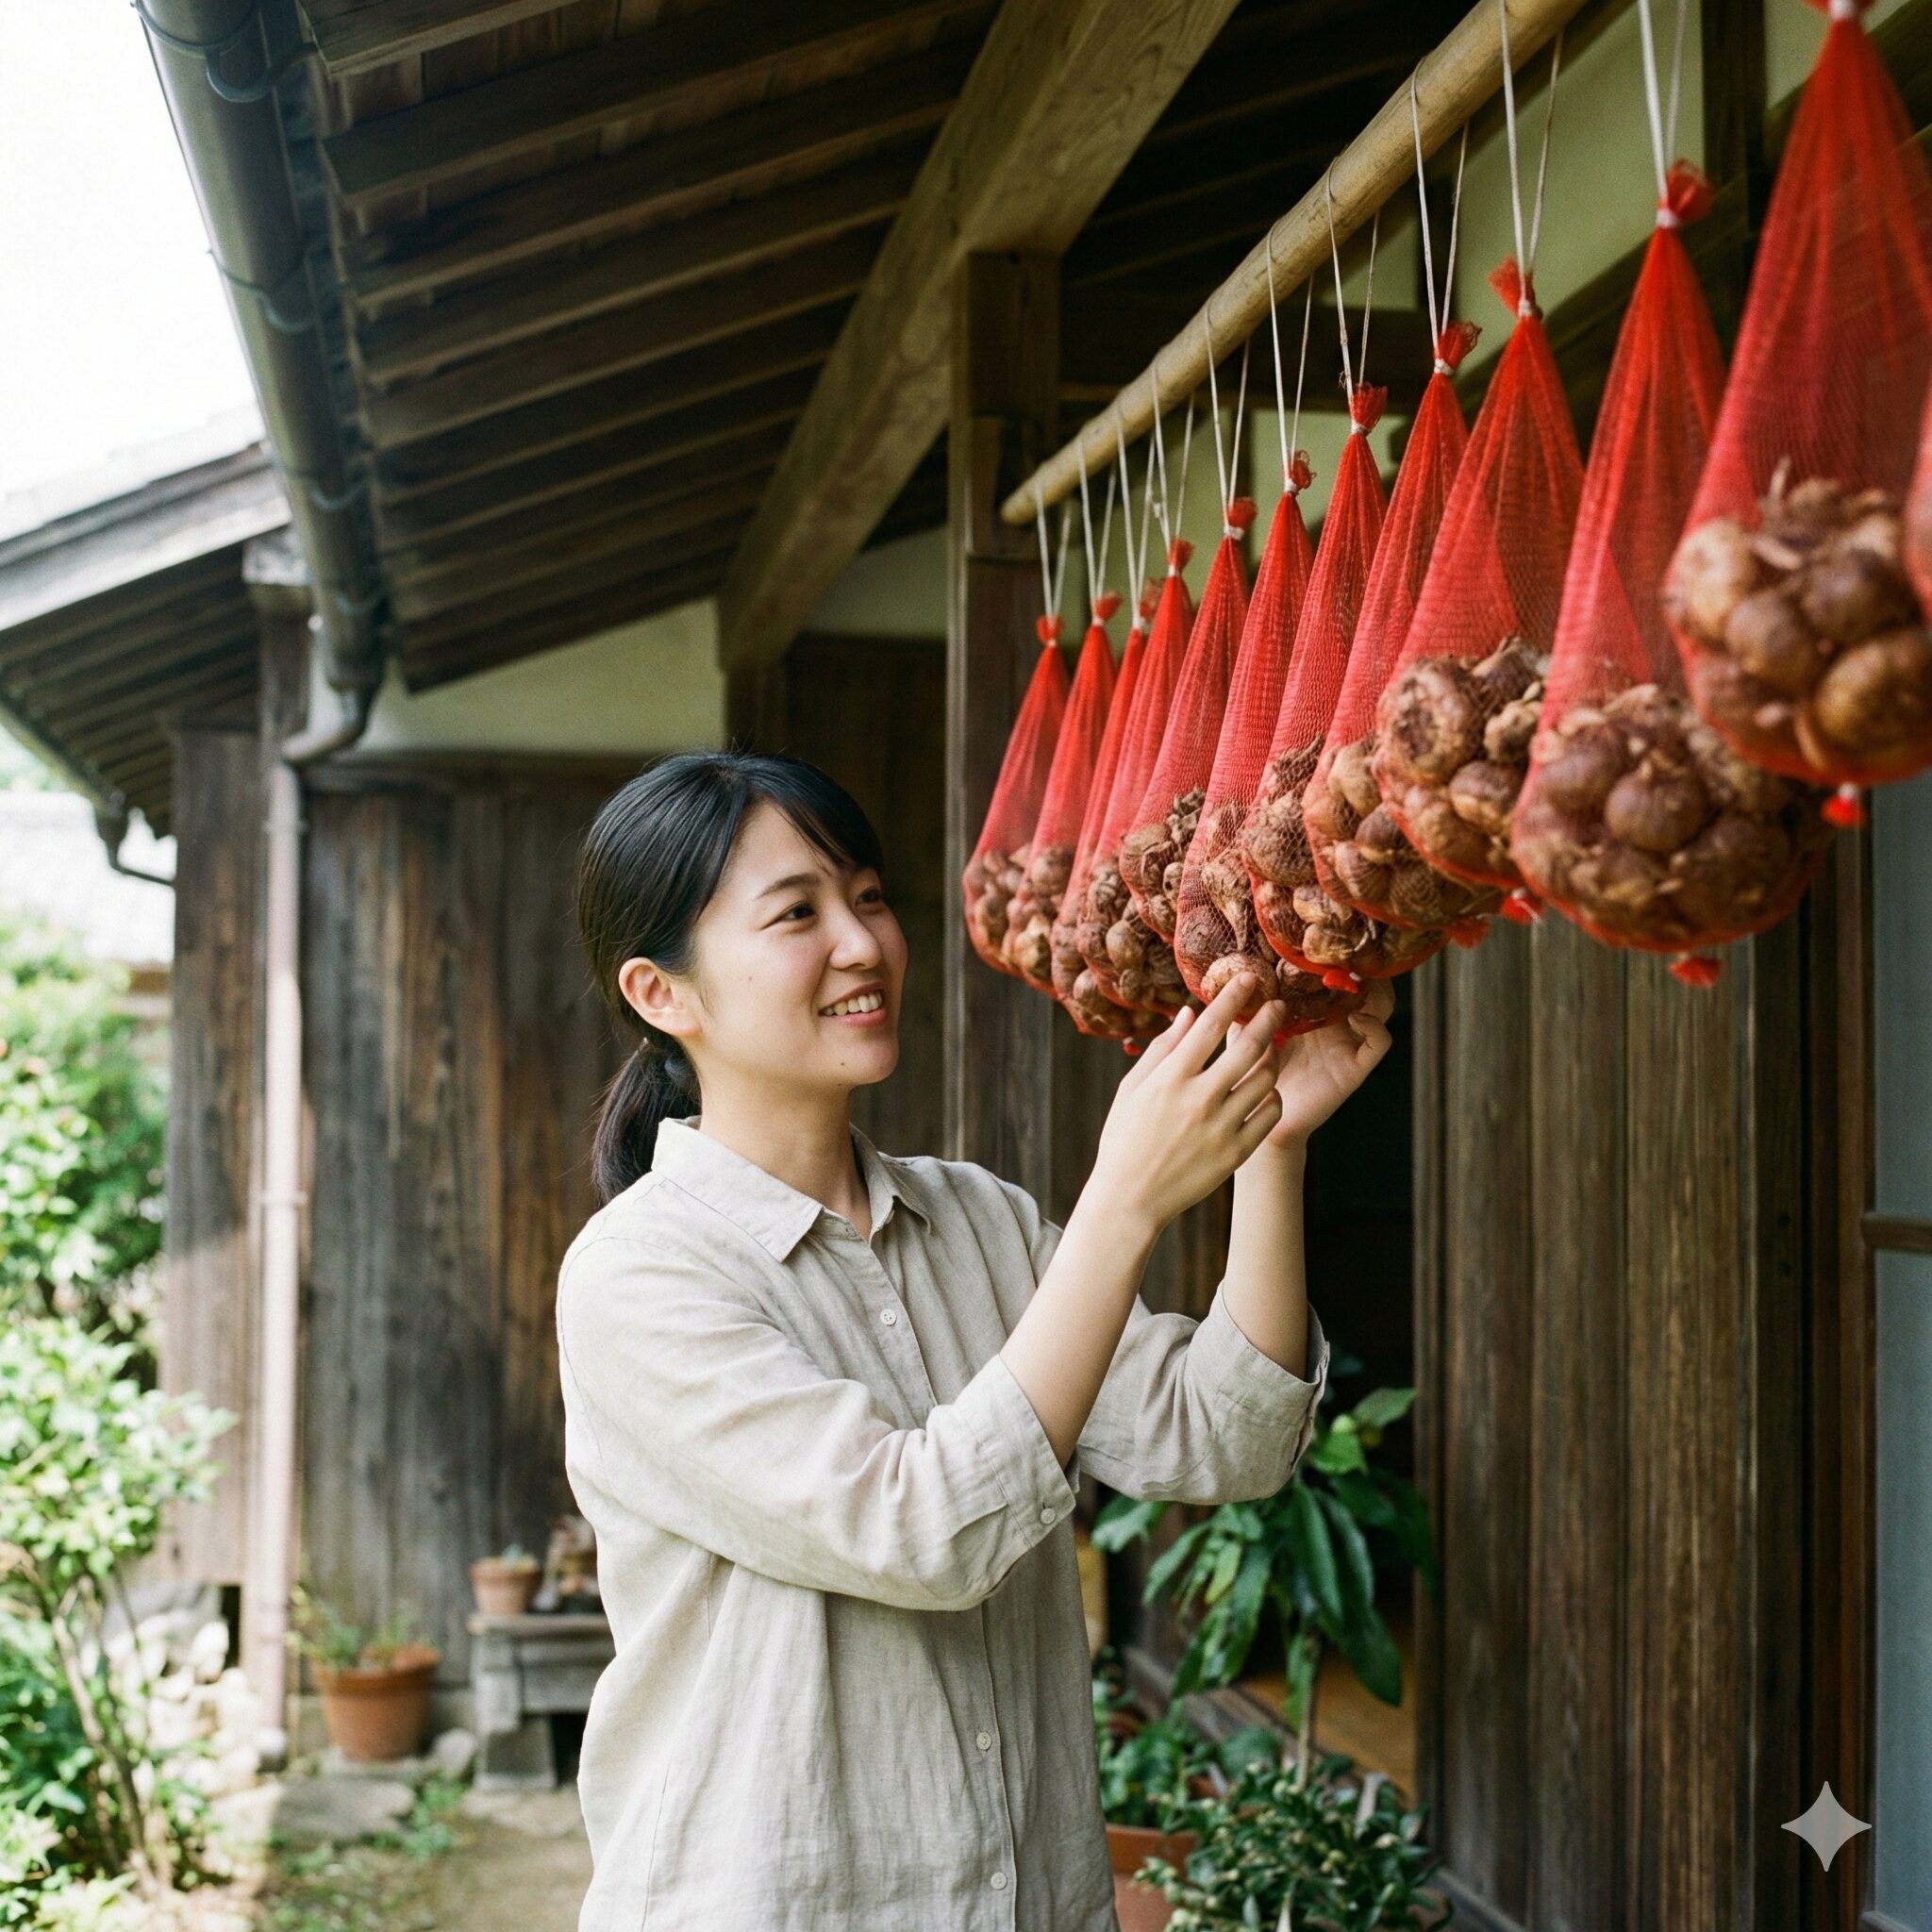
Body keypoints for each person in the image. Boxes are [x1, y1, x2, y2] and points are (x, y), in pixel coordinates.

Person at [557, 750, 1393, 1932]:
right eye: (796, 913)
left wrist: (1274, 1148)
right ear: (660, 993)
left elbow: (1226, 1438)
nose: (861, 943)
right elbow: (921, 1529)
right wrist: (1122, 1200)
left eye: (868, 896)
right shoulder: (637, 1274)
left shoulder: (975, 1219)